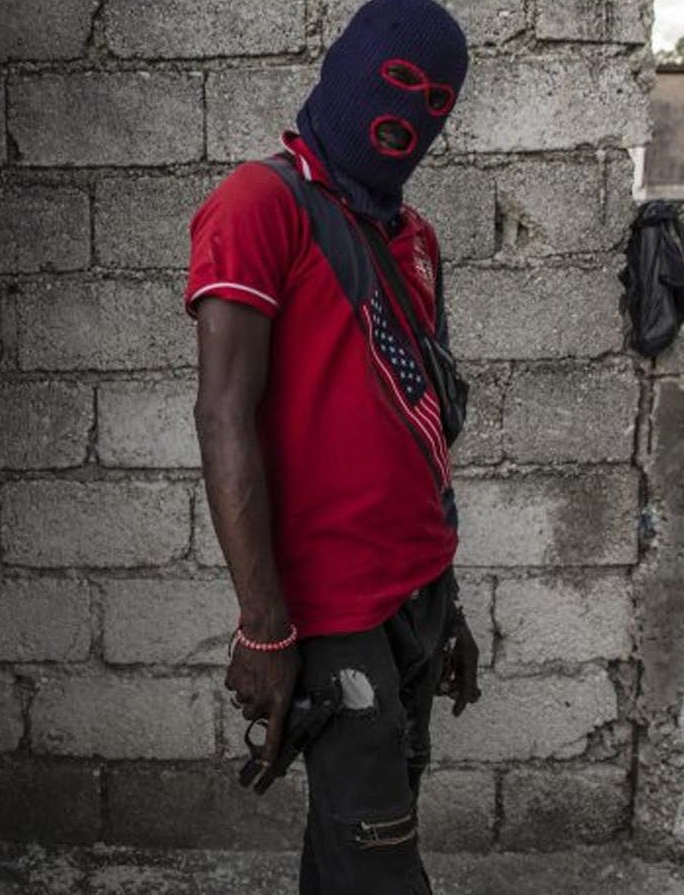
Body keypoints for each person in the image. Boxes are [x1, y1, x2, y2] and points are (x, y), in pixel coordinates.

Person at [186, 1, 480, 892]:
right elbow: (223, 416)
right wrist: (264, 626)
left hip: (415, 602)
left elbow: (420, 432)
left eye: (433, 99)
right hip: (334, 614)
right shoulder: (260, 203)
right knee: (380, 864)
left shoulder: (411, 237)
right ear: (343, 68)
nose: (408, 114)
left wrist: (447, 598)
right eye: (395, 84)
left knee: (355, 843)